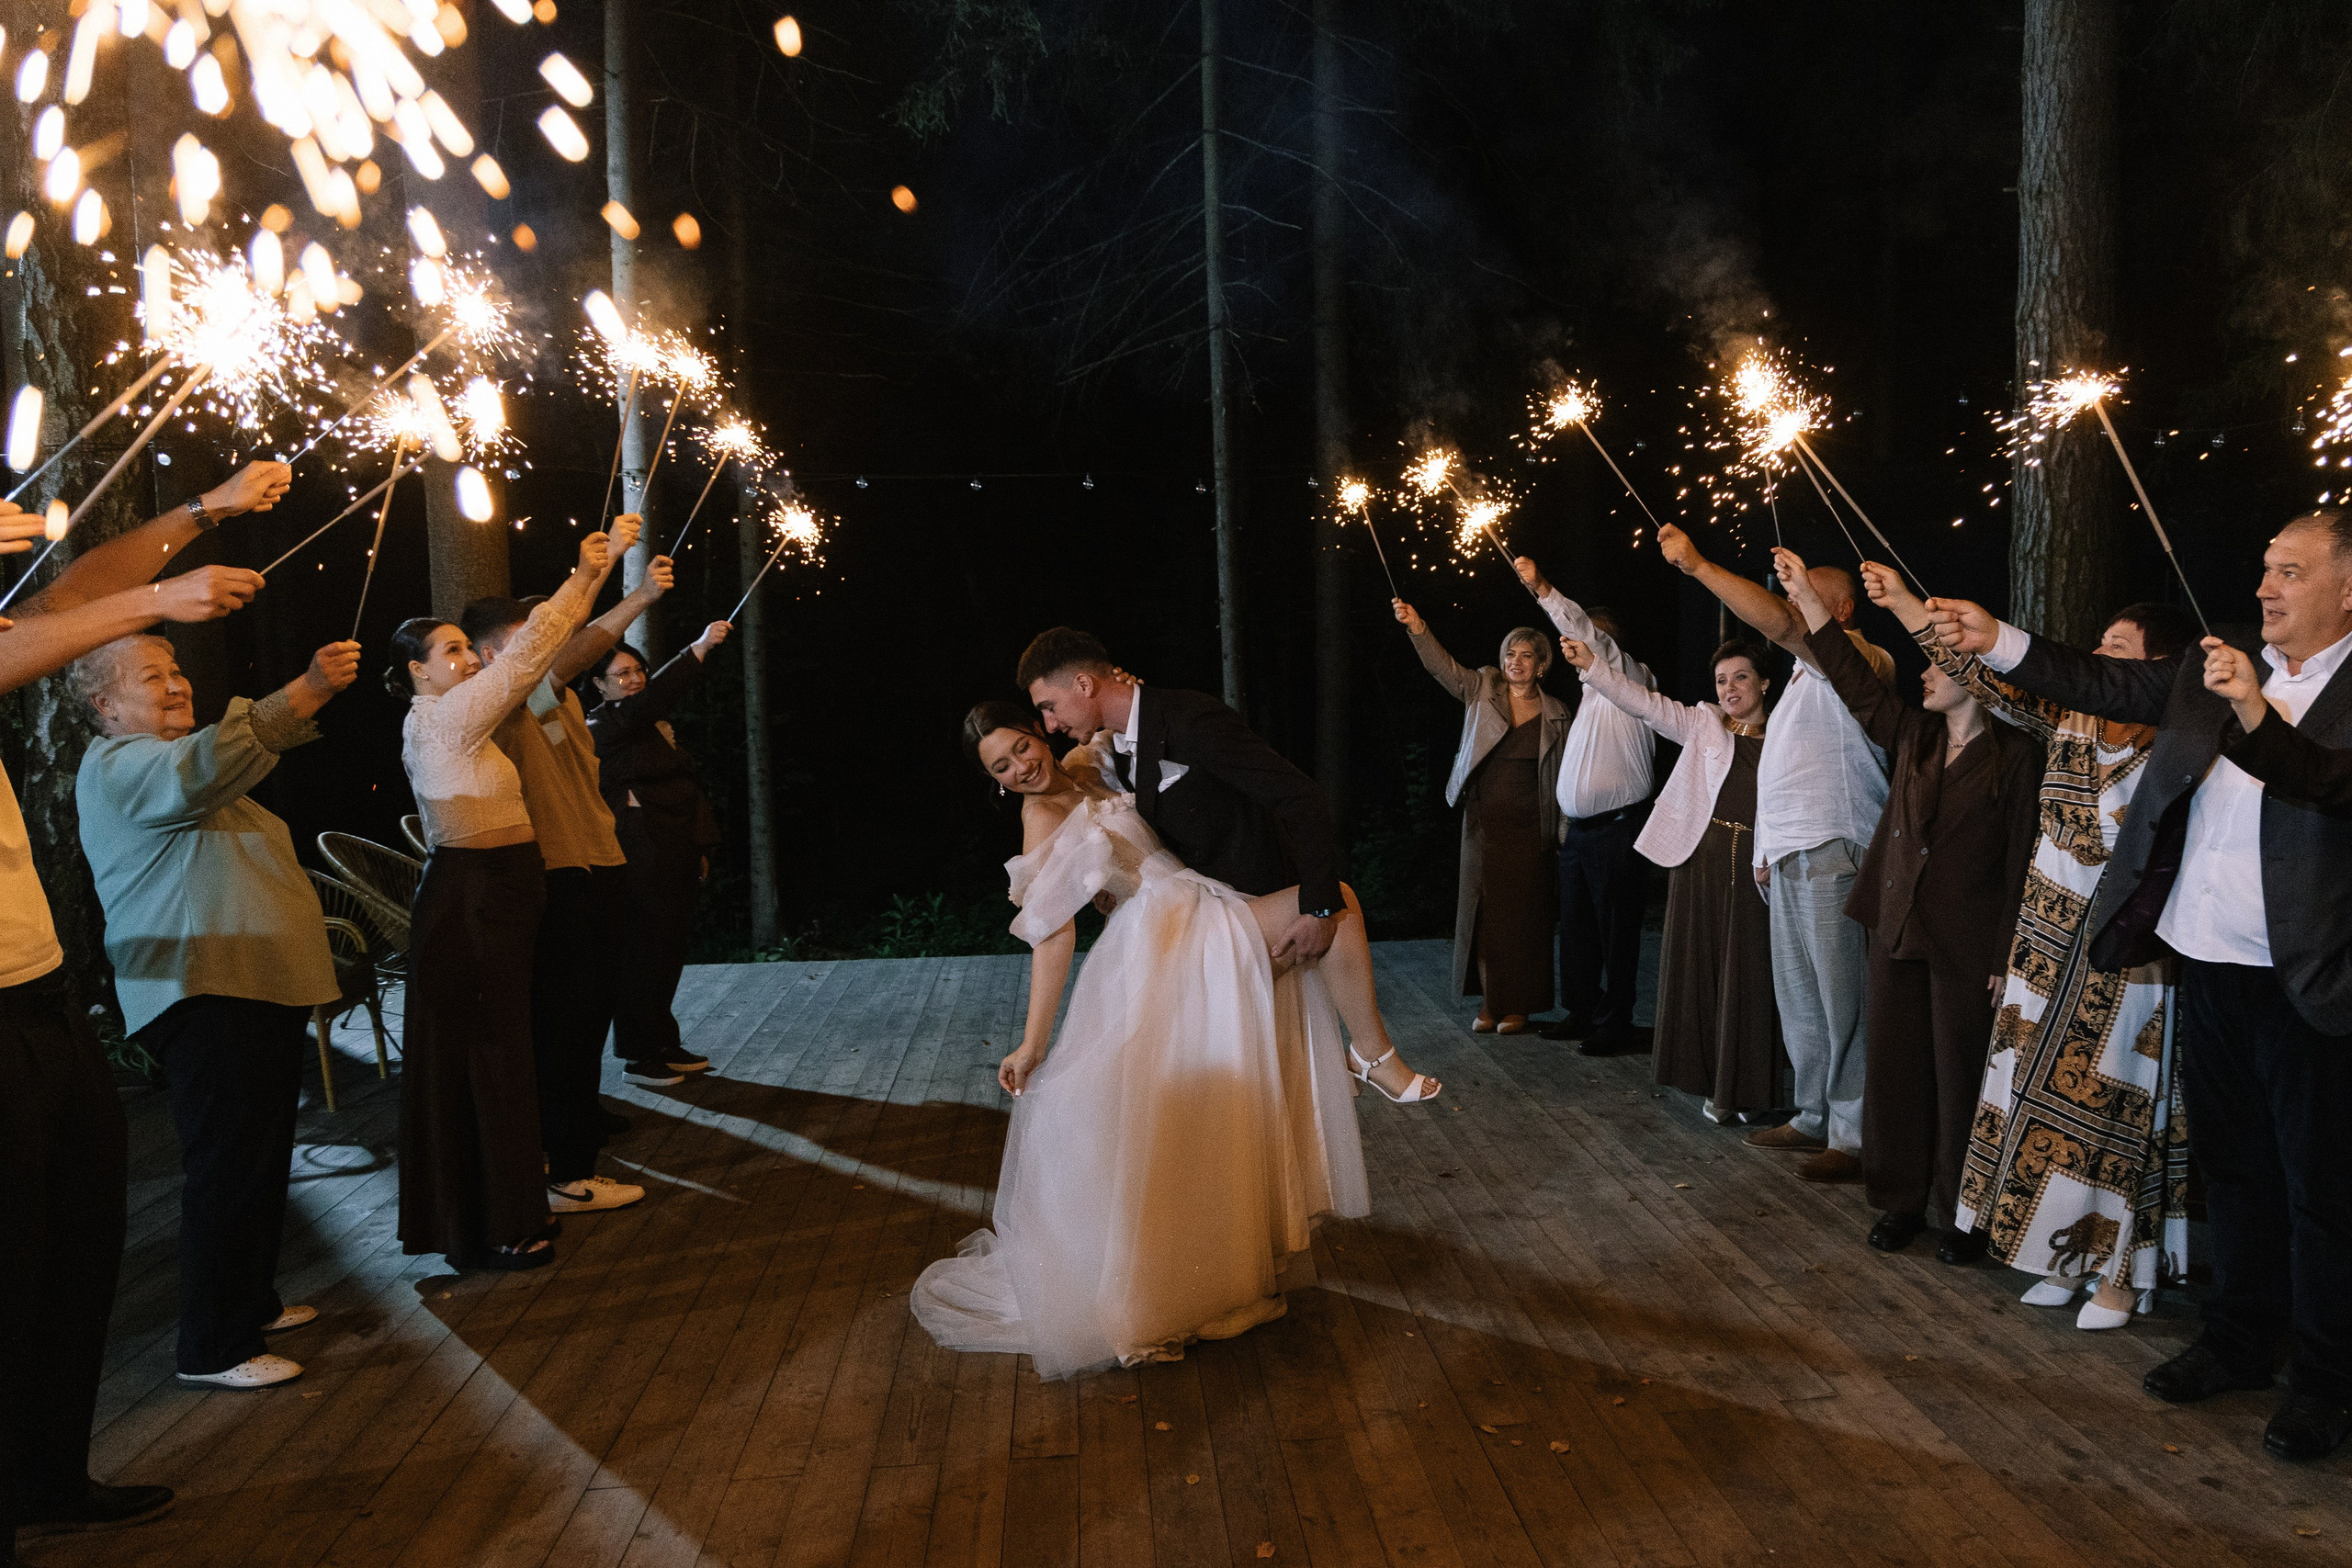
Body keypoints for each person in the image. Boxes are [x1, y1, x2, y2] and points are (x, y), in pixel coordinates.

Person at [1928, 510, 2352, 1463]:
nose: (2263, 588)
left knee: (2319, 1190)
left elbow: (2326, 784)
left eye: (2290, 570)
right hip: (2205, 961)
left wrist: (2251, 710)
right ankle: (2238, 1341)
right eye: (2261, 568)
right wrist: (1996, 636)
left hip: (2310, 982)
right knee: (2235, 1170)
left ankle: (2323, 1380)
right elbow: (2101, 680)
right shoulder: (2217, 665)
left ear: (2347, 589)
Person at [0, 462, 287, 1557]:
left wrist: (205, 511)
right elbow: (67, 630)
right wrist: (157, 606)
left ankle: (47, 1479)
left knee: (74, 1252)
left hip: (41, 997)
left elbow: (64, 607)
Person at [910, 704, 1368, 1376]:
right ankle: (1162, 1294)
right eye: (1001, 767)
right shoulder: (1039, 819)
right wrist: (1033, 1042)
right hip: (1157, 945)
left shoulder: (1084, 765)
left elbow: (1119, 727)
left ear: (1039, 733)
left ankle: (1225, 1264)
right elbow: (1053, 934)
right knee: (1177, 1103)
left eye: (1020, 747)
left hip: (1198, 909)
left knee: (1211, 1097)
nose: (1020, 767)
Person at [1869, 569, 2195, 1329]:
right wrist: (1909, 606)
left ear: (2157, 668)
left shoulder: (2177, 746)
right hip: (2044, 943)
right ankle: (2064, 1255)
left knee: (2111, 1105)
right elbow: (1985, 673)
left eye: (2116, 648)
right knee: (2034, 1098)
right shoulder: (2071, 720)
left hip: (2124, 951)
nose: (2095, 656)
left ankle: (2120, 1272)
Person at [74, 634, 360, 1392]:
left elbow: (222, 757)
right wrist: (308, 687)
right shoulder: (121, 765)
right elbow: (204, 765)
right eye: (150, 677)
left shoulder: (174, 762)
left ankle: (249, 1302)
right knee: (226, 1166)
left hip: (243, 984)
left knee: (258, 1158)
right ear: (104, 705)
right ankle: (212, 1344)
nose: (175, 685)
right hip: (201, 989)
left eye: (177, 671)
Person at [1018, 627, 1439, 1102]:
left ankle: (1369, 1056)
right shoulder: (1111, 750)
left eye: (1048, 706)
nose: (1049, 724)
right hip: (1187, 926)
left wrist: (1316, 908)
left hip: (1247, 907)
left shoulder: (1191, 717)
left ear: (1084, 684)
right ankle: (1369, 1056)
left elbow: (1300, 798)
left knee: (1336, 907)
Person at [1774, 549, 2042, 1263]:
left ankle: (1963, 1213)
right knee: (1896, 1073)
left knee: (1960, 1079)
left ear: (1974, 680)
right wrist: (1804, 594)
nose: (1923, 670)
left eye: (1937, 663)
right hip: (1896, 930)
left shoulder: (2016, 757)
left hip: (1967, 941)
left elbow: (2021, 859)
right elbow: (1853, 680)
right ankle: (1899, 1202)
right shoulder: (1913, 736)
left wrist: (2002, 953)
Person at [390, 524, 621, 1271]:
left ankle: (495, 1215)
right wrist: (588, 571)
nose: (467, 660)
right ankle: (503, 1221)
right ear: (419, 673)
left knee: (499, 1059)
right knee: (495, 1062)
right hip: (475, 904)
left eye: (465, 646)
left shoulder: (453, 718)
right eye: (451, 651)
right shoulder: (446, 716)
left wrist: (591, 581)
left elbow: (531, 657)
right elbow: (528, 653)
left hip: (491, 899)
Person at [1653, 522, 1893, 1182]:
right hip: (1790, 853)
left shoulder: (1858, 659)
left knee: (1843, 997)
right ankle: (1813, 1113)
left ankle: (1852, 1131)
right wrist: (1768, 844)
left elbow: (1789, 628)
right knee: (1801, 998)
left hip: (1834, 846)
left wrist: (1701, 567)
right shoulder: (1797, 682)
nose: (1792, 605)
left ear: (1839, 609)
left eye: (1806, 595)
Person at [457, 539, 676, 1215]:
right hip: (555, 873)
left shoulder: (553, 698)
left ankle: (579, 1118)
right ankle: (569, 1168)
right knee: (565, 1022)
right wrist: (633, 594)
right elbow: (574, 651)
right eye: (532, 635)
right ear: (495, 654)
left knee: (589, 1010)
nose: (550, 641)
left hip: (598, 858)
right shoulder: (502, 697)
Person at [1559, 632, 1781, 1122]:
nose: (1729, 688)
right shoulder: (1704, 723)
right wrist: (1593, 667)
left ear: (1764, 683)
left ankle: (1748, 1088)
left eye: (1741, 677)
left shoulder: (1786, 734)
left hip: (1756, 869)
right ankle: (1712, 1084)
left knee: (1748, 974)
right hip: (1699, 864)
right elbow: (1643, 703)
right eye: (1722, 680)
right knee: (1701, 971)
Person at [1391, 600, 1570, 1034]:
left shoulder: (1558, 713)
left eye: (1526, 655)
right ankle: (1491, 1003)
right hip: (1483, 825)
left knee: (1525, 917)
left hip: (1532, 831)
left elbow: (1565, 778)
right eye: (1510, 653)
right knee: (1485, 914)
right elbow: (1443, 668)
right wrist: (1418, 627)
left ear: (1542, 665)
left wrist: (1563, 830)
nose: (1516, 662)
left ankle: (1519, 1007)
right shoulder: (1481, 689)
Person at [1515, 557, 1657, 1056]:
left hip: (1618, 830)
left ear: (1609, 647)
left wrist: (1541, 586)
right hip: (1580, 832)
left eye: (1584, 640)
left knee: (1616, 930)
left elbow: (1584, 632)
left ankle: (1615, 1023)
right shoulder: (1591, 695)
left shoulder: (1631, 680)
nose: (1569, 645)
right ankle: (1581, 1011)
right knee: (1575, 925)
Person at [583, 622, 731, 1072]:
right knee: (643, 952)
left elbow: (684, 785)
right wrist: (699, 648)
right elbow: (648, 705)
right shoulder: (603, 723)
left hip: (674, 847)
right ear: (598, 685)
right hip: (638, 853)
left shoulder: (646, 724)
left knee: (667, 950)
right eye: (622, 674)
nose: (634, 679)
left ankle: (663, 1042)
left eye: (638, 670)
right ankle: (641, 1055)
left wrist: (699, 847)